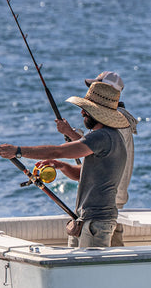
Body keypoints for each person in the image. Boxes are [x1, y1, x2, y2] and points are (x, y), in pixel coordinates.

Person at [0, 80, 131, 248]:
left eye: (86, 109)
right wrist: (62, 166)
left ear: (98, 112)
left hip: (96, 222)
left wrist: (17, 151)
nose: (82, 112)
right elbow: (83, 174)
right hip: (85, 219)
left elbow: (58, 151)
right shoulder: (111, 136)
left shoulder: (102, 136)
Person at [55, 71, 138, 247]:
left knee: (111, 254)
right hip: (110, 199)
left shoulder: (116, 121)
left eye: (96, 88)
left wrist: (69, 133)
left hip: (107, 201)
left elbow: (96, 147)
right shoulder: (116, 119)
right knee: (113, 252)